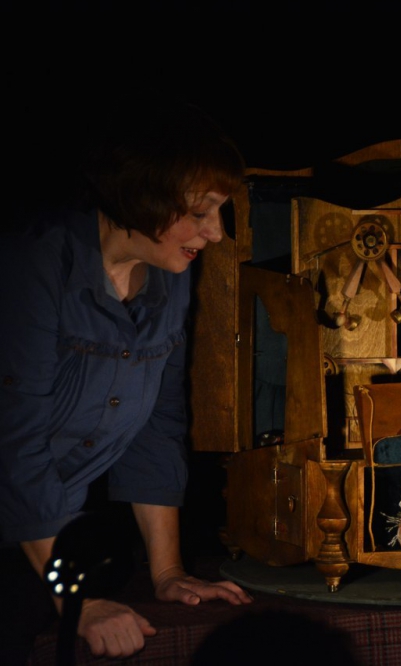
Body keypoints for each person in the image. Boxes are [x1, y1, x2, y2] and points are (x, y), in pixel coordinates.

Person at [0, 90, 253, 664]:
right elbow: (13, 446)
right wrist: (78, 602)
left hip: (48, 538)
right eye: (200, 213)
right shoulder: (33, 265)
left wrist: (167, 572)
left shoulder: (170, 275)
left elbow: (156, 426)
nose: (215, 233)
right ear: (143, 197)